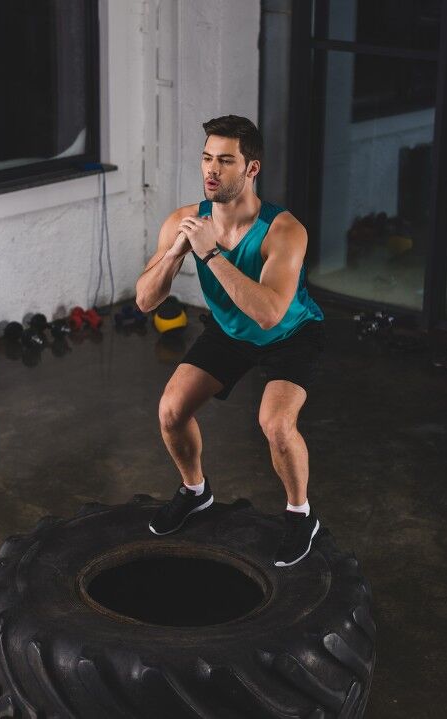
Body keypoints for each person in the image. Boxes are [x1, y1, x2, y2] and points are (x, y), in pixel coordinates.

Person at [135, 115, 325, 567]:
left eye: (225, 160)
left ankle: (300, 515)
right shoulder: (184, 220)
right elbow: (145, 300)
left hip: (290, 334)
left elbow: (268, 313)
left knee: (276, 425)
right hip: (228, 330)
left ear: (251, 169)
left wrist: (211, 254)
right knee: (171, 410)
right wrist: (176, 255)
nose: (211, 170)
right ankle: (195, 490)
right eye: (206, 158)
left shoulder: (284, 230)